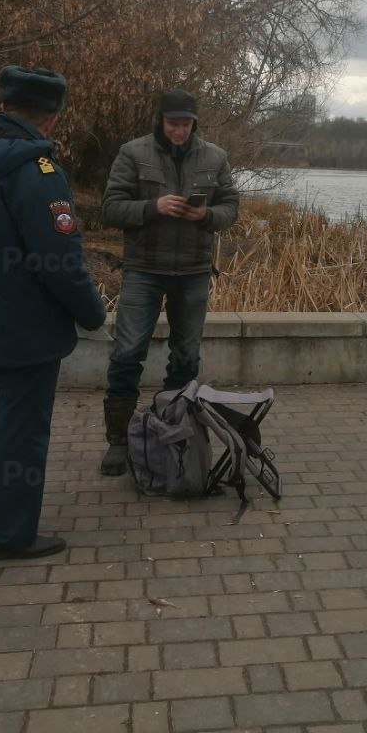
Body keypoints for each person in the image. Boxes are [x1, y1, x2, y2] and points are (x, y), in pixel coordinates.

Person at [0, 65, 106, 560]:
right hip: (29, 325)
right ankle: (9, 534)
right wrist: (92, 313)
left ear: (4, 106)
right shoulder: (37, 173)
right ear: (51, 119)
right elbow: (59, 259)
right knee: (22, 431)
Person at [98, 88, 240, 476]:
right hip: (143, 269)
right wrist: (152, 207)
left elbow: (231, 208)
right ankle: (118, 442)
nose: (179, 131)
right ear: (160, 121)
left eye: (186, 124)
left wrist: (207, 216)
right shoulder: (133, 152)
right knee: (127, 353)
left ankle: (176, 432)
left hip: (193, 270)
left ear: (195, 123)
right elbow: (110, 209)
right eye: (172, 123)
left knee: (186, 357)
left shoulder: (215, 157)